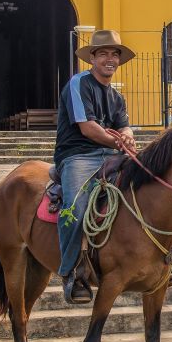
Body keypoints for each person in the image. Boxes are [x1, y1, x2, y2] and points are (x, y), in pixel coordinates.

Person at [53, 29, 136, 304]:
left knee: (148, 188)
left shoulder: (116, 97)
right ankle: (72, 273)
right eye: (104, 54)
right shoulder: (79, 84)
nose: (110, 59)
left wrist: (128, 138)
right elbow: (88, 128)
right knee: (75, 208)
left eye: (115, 54)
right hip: (78, 155)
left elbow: (124, 125)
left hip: (111, 153)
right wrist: (119, 144)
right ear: (92, 58)